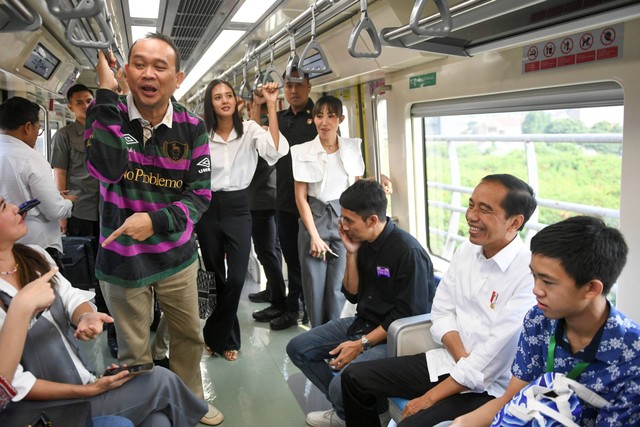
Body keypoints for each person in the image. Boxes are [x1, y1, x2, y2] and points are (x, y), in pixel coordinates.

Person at [86, 33, 222, 425]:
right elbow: (106, 169)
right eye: (139, 64)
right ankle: (149, 411)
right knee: (134, 351)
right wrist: (106, 93)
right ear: (125, 72)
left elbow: (200, 195)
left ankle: (189, 403)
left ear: (177, 78)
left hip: (177, 257)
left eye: (159, 66)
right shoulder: (106, 113)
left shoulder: (192, 127)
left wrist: (156, 220)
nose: (148, 74)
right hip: (121, 260)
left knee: (189, 338)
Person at [341, 174, 538, 427]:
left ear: (515, 222)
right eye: (471, 205)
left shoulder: (527, 273)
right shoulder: (466, 251)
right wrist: (460, 357)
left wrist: (429, 398)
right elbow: (442, 312)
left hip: (490, 385)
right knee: (354, 378)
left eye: (484, 210)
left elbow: (492, 358)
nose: (471, 216)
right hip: (450, 360)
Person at [0, 196, 208, 426]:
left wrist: (86, 316)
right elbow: (13, 385)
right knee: (161, 380)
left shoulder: (34, 256)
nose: (14, 208)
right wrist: (90, 391)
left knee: (158, 421)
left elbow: (71, 297)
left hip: (82, 384)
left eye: (8, 202)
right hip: (49, 406)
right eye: (2, 208)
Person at [449, 216, 640, 427]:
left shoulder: (632, 358)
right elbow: (512, 398)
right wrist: (462, 423)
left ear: (591, 289)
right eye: (534, 276)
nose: (536, 290)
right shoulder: (538, 320)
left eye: (548, 282)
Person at [287, 179, 436, 427]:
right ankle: (352, 411)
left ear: (372, 221)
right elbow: (353, 294)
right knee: (298, 349)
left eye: (349, 221)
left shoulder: (407, 252)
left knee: (340, 385)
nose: (343, 226)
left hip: (395, 337)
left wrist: (361, 345)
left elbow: (407, 316)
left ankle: (363, 410)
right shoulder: (363, 242)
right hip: (363, 322)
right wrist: (351, 252)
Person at [197, 79, 288, 361]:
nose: (224, 100)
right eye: (217, 97)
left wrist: (271, 105)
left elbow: (275, 151)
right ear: (210, 104)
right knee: (212, 277)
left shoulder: (250, 130)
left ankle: (213, 334)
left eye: (228, 95)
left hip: (238, 207)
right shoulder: (201, 133)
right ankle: (229, 339)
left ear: (236, 101)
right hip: (207, 207)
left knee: (236, 277)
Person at [50, 84, 118, 359]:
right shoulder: (65, 135)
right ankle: (85, 324)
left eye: (90, 100)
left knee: (111, 276)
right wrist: (63, 216)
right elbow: (60, 175)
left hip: (111, 212)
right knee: (88, 277)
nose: (86, 105)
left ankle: (114, 332)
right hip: (82, 211)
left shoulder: (108, 129)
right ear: (70, 107)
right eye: (79, 102)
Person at [253, 68, 318, 330]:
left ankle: (309, 309)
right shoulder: (278, 117)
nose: (293, 90)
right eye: (289, 86)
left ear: (309, 86)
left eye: (298, 85)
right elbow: (256, 134)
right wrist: (259, 104)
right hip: (284, 200)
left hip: (314, 203)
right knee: (291, 258)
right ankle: (292, 308)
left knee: (311, 261)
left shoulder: (319, 117)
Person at [292, 95, 365, 328]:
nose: (324, 122)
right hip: (314, 220)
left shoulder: (352, 149)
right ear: (313, 119)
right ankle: (317, 335)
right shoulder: (302, 151)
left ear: (340, 119)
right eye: (319, 115)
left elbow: (356, 189)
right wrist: (313, 236)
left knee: (339, 287)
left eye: (330, 116)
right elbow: (300, 198)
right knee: (314, 287)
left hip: (343, 221)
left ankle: (332, 340)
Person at [0, 97, 76, 269]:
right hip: (36, 248)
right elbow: (54, 210)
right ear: (28, 127)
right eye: (38, 128)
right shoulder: (30, 157)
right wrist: (67, 202)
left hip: (5, 247)